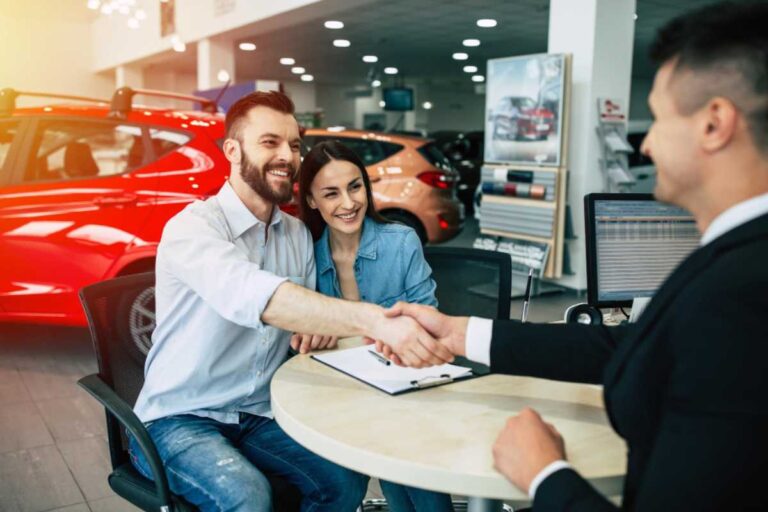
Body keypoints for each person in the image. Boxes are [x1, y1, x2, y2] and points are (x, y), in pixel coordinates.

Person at [376, 2, 768, 510]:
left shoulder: (740, 294)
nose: (644, 145)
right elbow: (624, 346)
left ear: (715, 124)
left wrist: (545, 474)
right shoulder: (737, 261)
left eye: (661, 117)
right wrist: (458, 333)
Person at [129, 91, 455, 512]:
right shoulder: (193, 228)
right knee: (247, 494)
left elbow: (304, 322)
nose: (288, 155)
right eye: (270, 142)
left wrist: (312, 328)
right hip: (180, 417)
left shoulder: (296, 234)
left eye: (295, 144)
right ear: (232, 150)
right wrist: (376, 321)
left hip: (258, 413)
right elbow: (260, 297)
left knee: (343, 479)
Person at [295, 140, 454, 512]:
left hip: (403, 386)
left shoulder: (401, 242)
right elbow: (298, 336)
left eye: (355, 187)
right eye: (331, 194)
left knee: (404, 448)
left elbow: (425, 323)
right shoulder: (304, 258)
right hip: (338, 396)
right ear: (313, 201)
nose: (348, 204)